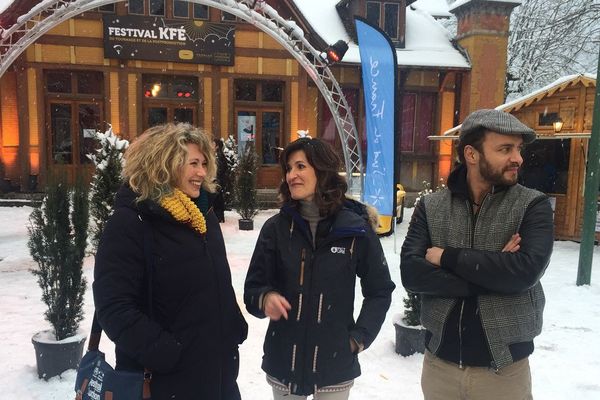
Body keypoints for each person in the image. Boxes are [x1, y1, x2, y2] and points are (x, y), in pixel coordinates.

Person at [400, 109, 554, 400]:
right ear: (471, 154)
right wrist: (493, 273)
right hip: (439, 368)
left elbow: (524, 272)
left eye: (518, 149)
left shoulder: (533, 205)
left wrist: (447, 258)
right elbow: (412, 273)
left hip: (505, 371)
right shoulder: (431, 206)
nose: (518, 158)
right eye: (505, 149)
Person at [93, 123, 248, 400]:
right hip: (164, 384)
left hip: (219, 377)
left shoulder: (203, 217)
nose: (202, 172)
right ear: (163, 164)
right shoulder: (131, 221)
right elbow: (114, 307)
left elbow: (215, 282)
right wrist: (167, 353)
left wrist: (233, 324)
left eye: (204, 163)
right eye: (192, 163)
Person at [244, 137, 395, 399]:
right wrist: (265, 297)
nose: (292, 175)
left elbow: (380, 290)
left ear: (323, 171)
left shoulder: (355, 230)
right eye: (289, 168)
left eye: (300, 166)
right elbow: (252, 289)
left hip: (334, 366)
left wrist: (358, 338)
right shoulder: (276, 229)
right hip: (284, 363)